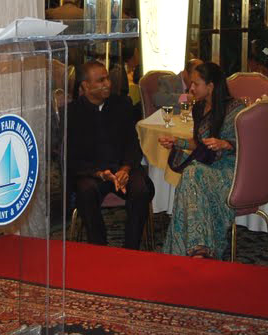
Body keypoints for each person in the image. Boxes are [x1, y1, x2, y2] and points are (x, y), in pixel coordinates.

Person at [158, 62, 245, 259]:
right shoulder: (198, 108)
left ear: (211, 86)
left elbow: (250, 144)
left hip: (231, 171)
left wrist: (226, 144)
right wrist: (177, 142)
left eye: (196, 84)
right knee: (192, 174)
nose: (191, 88)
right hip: (206, 167)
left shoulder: (236, 110)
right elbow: (199, 144)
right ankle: (199, 250)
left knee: (191, 173)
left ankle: (188, 250)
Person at [67, 61, 155, 250]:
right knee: (86, 191)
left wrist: (125, 169)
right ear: (85, 86)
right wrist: (99, 173)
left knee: (140, 189)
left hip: (122, 168)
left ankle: (131, 249)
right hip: (92, 173)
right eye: (100, 80)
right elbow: (70, 156)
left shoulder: (122, 104)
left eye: (107, 78)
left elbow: (133, 143)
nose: (107, 83)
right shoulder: (72, 113)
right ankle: (100, 248)